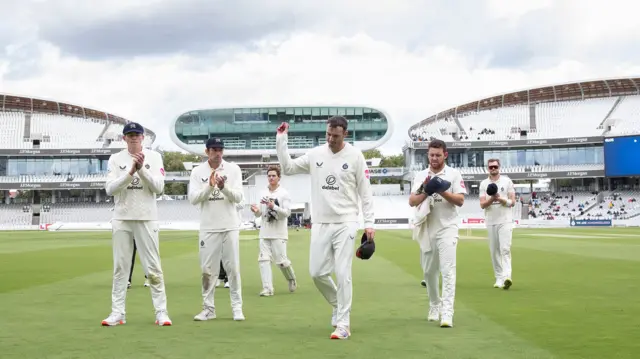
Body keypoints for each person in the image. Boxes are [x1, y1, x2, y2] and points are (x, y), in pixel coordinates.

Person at [275, 116, 375, 340]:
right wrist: (281, 139)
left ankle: (343, 325)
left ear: (345, 134)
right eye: (328, 134)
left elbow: (365, 192)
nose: (330, 139)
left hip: (346, 220)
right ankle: (338, 305)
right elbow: (288, 168)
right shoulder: (316, 154)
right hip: (320, 222)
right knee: (317, 273)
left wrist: (369, 223)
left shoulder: (356, 156)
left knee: (342, 272)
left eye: (335, 136)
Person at [101, 122, 172, 327]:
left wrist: (142, 170)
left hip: (146, 217)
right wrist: (131, 172)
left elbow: (158, 188)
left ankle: (161, 312)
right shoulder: (116, 159)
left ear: (143, 138)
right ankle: (117, 313)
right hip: (122, 217)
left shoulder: (155, 157)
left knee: (153, 268)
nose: (134, 138)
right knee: (120, 268)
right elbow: (110, 189)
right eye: (130, 135)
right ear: (124, 138)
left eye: (137, 135)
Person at [409, 139, 466, 328]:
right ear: (428, 154)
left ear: (445, 155)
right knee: (428, 272)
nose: (434, 158)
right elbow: (412, 201)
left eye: (438, 155)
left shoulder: (454, 174)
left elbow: (459, 200)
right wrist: (427, 190)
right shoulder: (421, 175)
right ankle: (435, 305)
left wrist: (441, 190)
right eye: (431, 155)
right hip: (427, 227)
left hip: (447, 228)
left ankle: (447, 312)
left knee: (448, 270)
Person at [188, 137, 245, 321]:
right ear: (206, 151)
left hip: (229, 225)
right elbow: (193, 198)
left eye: (220, 149)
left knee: (233, 268)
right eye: (213, 149)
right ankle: (208, 309)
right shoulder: (198, 171)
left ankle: (237, 307)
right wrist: (210, 186)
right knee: (208, 270)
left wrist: (223, 187)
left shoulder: (233, 169)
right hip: (208, 227)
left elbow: (238, 197)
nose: (217, 153)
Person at [250, 165, 297, 296]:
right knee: (263, 260)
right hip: (264, 232)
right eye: (269, 176)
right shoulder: (262, 192)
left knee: (282, 261)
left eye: (273, 176)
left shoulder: (284, 194)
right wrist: (256, 211)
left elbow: (287, 213)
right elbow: (260, 213)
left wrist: (274, 207)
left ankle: (291, 279)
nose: (271, 178)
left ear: (279, 177)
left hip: (279, 233)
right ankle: (267, 288)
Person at [478, 158, 516, 289]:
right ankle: (499, 278)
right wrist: (492, 199)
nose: (493, 169)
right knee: (494, 251)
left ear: (499, 167)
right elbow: (482, 204)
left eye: (495, 166)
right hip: (491, 221)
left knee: (505, 249)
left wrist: (499, 198)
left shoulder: (507, 181)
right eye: (490, 167)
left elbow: (512, 202)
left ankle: (507, 277)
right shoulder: (483, 184)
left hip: (505, 220)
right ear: (487, 168)